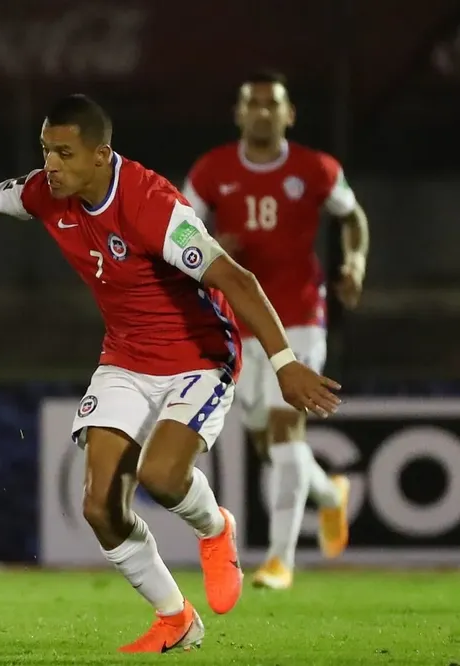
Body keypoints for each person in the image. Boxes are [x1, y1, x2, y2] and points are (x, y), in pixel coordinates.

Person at [0, 94, 341, 653]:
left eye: (64, 153)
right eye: (46, 150)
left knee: (164, 477)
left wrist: (285, 363)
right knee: (98, 506)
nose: (51, 163)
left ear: (101, 154)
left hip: (197, 357)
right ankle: (176, 617)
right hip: (125, 357)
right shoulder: (46, 193)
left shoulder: (153, 206)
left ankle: (216, 528)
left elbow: (237, 279)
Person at [181, 70, 369, 590]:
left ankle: (280, 560)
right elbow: (176, 229)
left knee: (286, 429)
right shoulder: (212, 171)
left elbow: (353, 218)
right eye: (253, 104)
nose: (263, 112)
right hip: (238, 324)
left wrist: (353, 263)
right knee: (268, 439)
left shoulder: (315, 169)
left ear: (289, 114)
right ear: (239, 113)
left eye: (273, 104)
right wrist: (212, 244)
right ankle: (331, 495)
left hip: (301, 318)